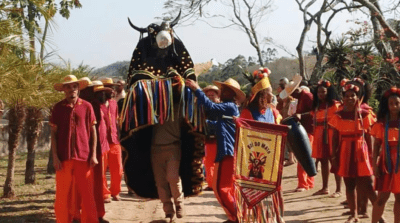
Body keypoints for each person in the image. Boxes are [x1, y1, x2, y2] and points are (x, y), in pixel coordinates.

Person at [186, 78, 246, 223]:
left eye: (225, 90)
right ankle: (234, 217)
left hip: (228, 151)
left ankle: (238, 217)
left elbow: (211, 109)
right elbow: (209, 113)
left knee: (221, 188)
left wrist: (197, 89)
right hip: (226, 150)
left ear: (231, 94)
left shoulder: (230, 106)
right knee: (224, 188)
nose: (221, 91)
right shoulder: (226, 107)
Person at [50, 75, 99, 223]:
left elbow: (93, 132)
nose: (72, 90)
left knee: (87, 194)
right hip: (63, 158)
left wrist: (94, 154)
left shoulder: (87, 106)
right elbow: (53, 134)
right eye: (68, 87)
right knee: (62, 195)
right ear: (63, 90)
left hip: (84, 157)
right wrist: (55, 157)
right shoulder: (58, 108)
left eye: (74, 86)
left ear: (78, 89)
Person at [329, 80, 377, 223]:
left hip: (361, 151)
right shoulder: (338, 115)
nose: (350, 98)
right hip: (344, 151)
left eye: (353, 95)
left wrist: (371, 156)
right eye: (347, 96)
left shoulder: (365, 114)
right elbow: (335, 138)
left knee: (368, 184)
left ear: (358, 97)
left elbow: (369, 137)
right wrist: (334, 155)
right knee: (349, 184)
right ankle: (353, 214)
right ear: (343, 98)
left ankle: (378, 215)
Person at [239, 76, 284, 222]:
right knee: (256, 193)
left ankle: (279, 217)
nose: (273, 96)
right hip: (255, 161)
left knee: (277, 190)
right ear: (262, 96)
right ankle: (257, 218)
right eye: (270, 92)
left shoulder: (273, 112)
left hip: (272, 159)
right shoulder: (247, 113)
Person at [280, 75, 315, 192]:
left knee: (303, 156)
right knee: (305, 156)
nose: (291, 96)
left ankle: (303, 183)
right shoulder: (297, 98)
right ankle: (308, 182)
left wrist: (301, 115)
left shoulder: (308, 96)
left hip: (308, 130)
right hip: (301, 129)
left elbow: (314, 111)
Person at [371, 87, 400, 223]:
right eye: (391, 104)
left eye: (397, 103)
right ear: (386, 106)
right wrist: (374, 165)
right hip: (385, 163)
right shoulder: (381, 124)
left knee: (399, 198)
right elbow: (376, 145)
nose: (394, 106)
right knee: (381, 198)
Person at [310, 80, 342, 197]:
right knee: (323, 161)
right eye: (319, 92)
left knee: (334, 161)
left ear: (328, 92)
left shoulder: (335, 105)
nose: (321, 94)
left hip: (331, 136)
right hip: (319, 136)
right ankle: (325, 188)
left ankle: (338, 189)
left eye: (323, 92)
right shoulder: (316, 106)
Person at [100, 78, 123, 202]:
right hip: (102, 141)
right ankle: (105, 193)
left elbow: (116, 120)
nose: (112, 90)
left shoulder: (114, 104)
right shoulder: (96, 104)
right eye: (108, 87)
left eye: (112, 87)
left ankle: (116, 192)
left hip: (115, 140)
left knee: (118, 169)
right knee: (102, 169)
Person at [202, 85, 221, 191]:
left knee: (219, 162)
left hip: (220, 138)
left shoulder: (221, 107)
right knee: (208, 162)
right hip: (208, 138)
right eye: (208, 95)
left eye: (212, 95)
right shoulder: (204, 108)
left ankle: (218, 183)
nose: (210, 97)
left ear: (218, 96)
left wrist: (207, 123)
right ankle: (211, 184)